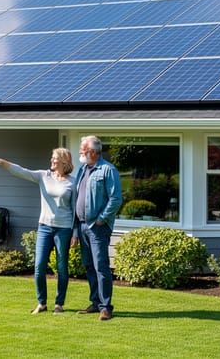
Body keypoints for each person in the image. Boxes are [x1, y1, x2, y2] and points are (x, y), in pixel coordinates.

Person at [0, 148, 76, 315]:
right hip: (44, 226)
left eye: (55, 158)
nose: (52, 160)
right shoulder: (43, 176)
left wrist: (75, 233)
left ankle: (59, 303)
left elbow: (75, 209)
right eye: (52, 157)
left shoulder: (73, 182)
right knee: (39, 266)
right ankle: (41, 303)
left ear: (64, 162)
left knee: (62, 267)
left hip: (64, 228)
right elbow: (22, 171)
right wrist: (3, 163)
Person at [72, 135, 122, 321]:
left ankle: (106, 307)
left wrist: (102, 219)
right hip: (83, 225)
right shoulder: (83, 169)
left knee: (101, 266)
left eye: (82, 150)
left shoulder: (108, 170)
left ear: (92, 152)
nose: (80, 153)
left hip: (97, 227)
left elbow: (115, 198)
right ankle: (95, 302)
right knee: (89, 266)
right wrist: (76, 229)